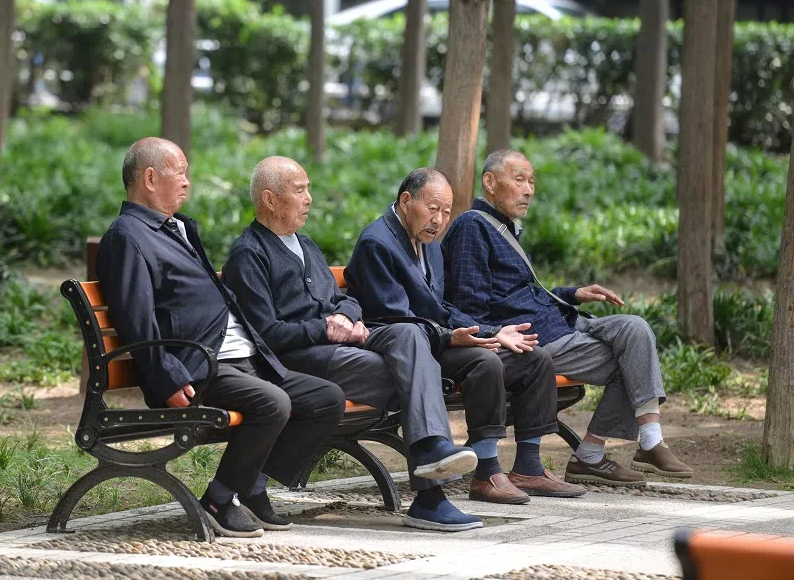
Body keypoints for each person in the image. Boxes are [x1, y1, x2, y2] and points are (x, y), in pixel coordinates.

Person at [96, 138, 346, 538]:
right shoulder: (128, 236)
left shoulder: (176, 227)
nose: (187, 183)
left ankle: (251, 486)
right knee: (273, 403)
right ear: (149, 177)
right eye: (179, 172)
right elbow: (134, 316)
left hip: (243, 355)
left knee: (325, 399)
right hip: (202, 364)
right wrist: (167, 377)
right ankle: (219, 496)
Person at [222, 156, 482, 532]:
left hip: (343, 341)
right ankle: (430, 495)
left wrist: (347, 316)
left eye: (308, 188)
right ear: (270, 199)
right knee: (411, 375)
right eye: (300, 191)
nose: (310, 198)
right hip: (300, 358)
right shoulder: (249, 254)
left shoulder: (305, 244)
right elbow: (267, 334)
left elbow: (343, 299)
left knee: (408, 333)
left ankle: (432, 454)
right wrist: (326, 328)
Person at [442, 149, 693, 486]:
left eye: (532, 182)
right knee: (632, 364)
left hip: (561, 320)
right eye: (519, 180)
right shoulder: (473, 227)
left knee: (635, 328)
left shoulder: (503, 227)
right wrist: (497, 333)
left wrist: (571, 293)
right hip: (537, 338)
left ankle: (649, 438)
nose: (529, 189)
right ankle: (591, 457)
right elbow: (469, 303)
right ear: (489, 182)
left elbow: (515, 292)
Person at [346, 167, 584, 501]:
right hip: (404, 349)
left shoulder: (428, 244)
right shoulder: (378, 242)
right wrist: (450, 336)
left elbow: (441, 306)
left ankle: (529, 467)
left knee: (534, 358)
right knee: (484, 363)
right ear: (405, 201)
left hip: (436, 338)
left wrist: (494, 331)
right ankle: (486, 472)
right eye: (433, 209)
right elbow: (396, 317)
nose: (439, 220)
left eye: (446, 212)